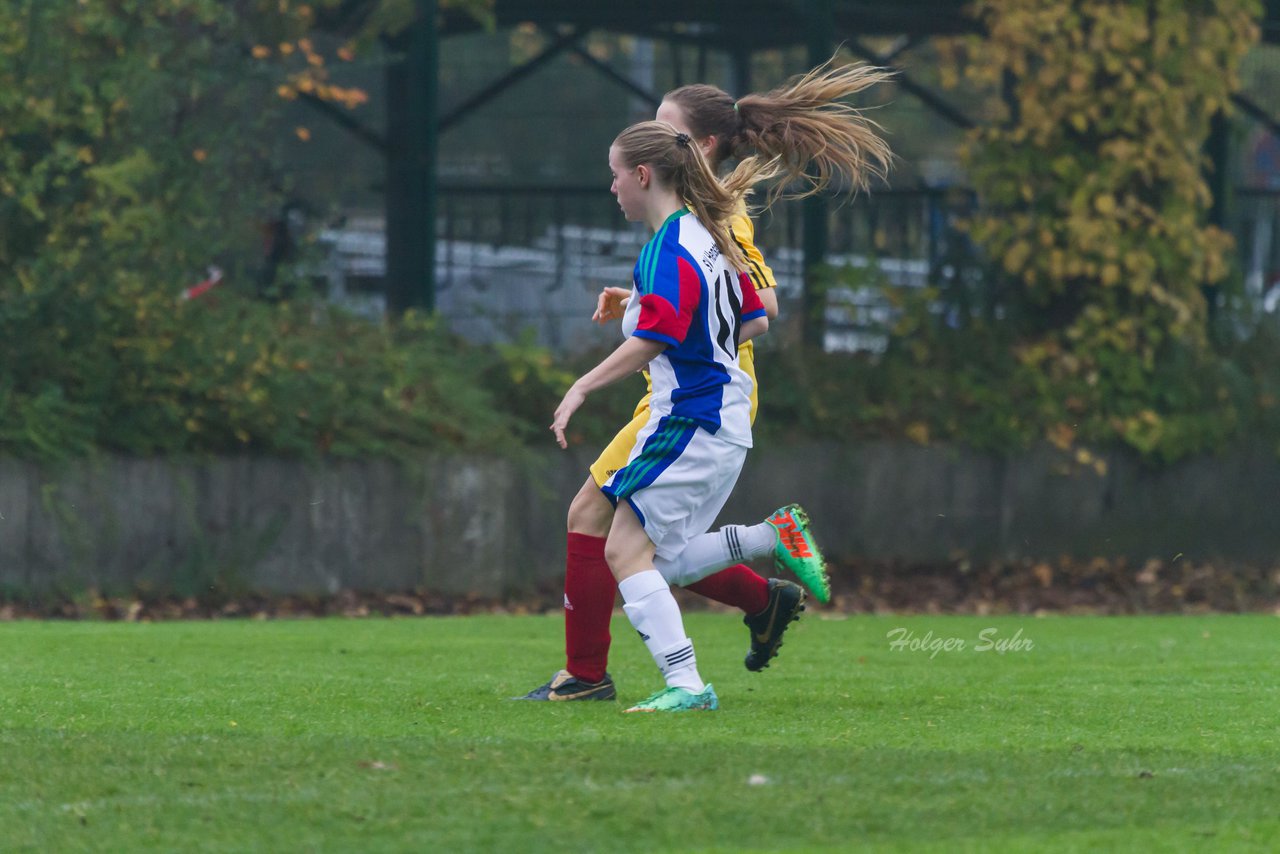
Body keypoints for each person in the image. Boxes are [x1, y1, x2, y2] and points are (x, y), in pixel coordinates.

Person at [520, 60, 894, 703]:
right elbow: (716, 303)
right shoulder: (692, 225)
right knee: (646, 549)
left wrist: (608, 366)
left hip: (694, 403)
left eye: (667, 133)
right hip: (698, 399)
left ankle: (606, 677)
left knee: (607, 530)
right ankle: (761, 585)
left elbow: (761, 311)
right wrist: (642, 303)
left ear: (697, 149)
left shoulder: (711, 222)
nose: (653, 139)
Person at [546, 119, 776, 711]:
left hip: (690, 419)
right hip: (724, 419)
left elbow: (656, 337)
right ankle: (766, 537)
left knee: (622, 552)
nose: (614, 188)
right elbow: (752, 319)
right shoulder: (707, 235)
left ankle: (687, 686)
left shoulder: (666, 247)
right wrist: (658, 311)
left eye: (615, 176)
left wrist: (582, 387)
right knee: (660, 560)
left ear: (642, 176)